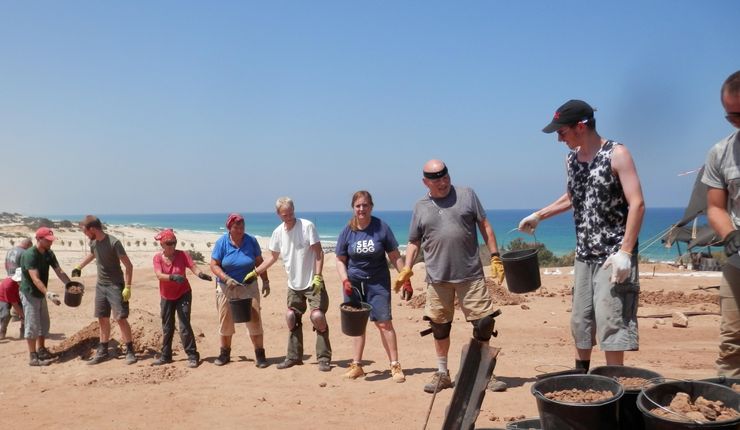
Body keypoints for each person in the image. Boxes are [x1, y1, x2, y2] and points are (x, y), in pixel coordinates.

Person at [519, 99, 645, 372]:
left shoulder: (617, 154)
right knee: (581, 321)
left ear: (580, 127)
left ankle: (615, 383)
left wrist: (625, 252)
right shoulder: (572, 159)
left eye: (561, 132)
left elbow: (637, 203)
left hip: (613, 256)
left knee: (612, 321)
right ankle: (582, 377)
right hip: (584, 254)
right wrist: (540, 215)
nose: (558, 139)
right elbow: (576, 196)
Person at [396, 160, 506, 393]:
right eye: (437, 180)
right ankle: (442, 373)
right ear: (426, 182)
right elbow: (414, 240)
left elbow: (484, 225)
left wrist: (495, 256)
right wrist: (407, 269)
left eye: (446, 178)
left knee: (484, 323)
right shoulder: (420, 206)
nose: (444, 183)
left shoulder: (467, 195)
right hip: (437, 277)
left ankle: (482, 373)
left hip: (470, 274)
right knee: (439, 326)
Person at [247, 197, 332, 372]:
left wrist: (318, 276)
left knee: (318, 317)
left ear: (294, 209)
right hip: (293, 284)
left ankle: (323, 358)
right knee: (291, 317)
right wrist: (256, 272)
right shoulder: (278, 232)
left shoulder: (307, 226)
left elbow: (318, 253)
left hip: (312, 281)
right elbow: (272, 257)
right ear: (278, 214)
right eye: (285, 215)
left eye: (291, 213)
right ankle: (294, 357)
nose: (289, 217)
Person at [335, 190, 409, 382]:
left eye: (365, 205)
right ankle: (357, 365)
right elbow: (340, 259)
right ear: (353, 208)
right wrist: (345, 280)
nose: (361, 209)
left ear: (371, 207)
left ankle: (395, 365)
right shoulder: (348, 230)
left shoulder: (381, 227)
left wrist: (405, 278)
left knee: (384, 323)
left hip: (378, 283)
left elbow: (394, 255)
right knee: (356, 326)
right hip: (354, 284)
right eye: (358, 205)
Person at [703, 70, 740, 376]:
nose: (737, 121)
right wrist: (730, 235)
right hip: (738, 262)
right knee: (732, 341)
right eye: (731, 117)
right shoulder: (721, 152)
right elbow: (715, 207)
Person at [72, 215, 138, 365]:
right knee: (102, 318)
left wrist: (127, 287)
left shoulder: (114, 243)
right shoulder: (94, 242)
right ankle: (103, 352)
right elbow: (93, 254)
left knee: (120, 318)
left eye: (85, 231)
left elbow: (129, 266)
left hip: (116, 285)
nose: (85, 234)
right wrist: (79, 266)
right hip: (100, 286)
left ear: (93, 229)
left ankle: (130, 351)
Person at [209, 213, 270, 367]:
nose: (240, 229)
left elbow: (259, 262)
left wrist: (266, 281)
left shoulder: (251, 241)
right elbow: (214, 264)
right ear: (229, 228)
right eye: (237, 227)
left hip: (248, 286)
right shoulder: (222, 242)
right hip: (226, 287)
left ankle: (260, 354)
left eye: (242, 226)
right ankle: (224, 353)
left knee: (255, 319)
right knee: (226, 320)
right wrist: (225, 278)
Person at [151, 229, 213, 368]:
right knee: (167, 326)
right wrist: (172, 277)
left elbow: (193, 267)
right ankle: (166, 356)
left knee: (184, 324)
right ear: (162, 245)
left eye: (174, 242)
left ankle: (192, 355)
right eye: (169, 243)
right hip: (166, 296)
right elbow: (159, 275)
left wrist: (201, 275)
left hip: (183, 293)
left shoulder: (183, 255)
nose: (172, 246)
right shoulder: (157, 258)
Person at [20, 227, 70, 366]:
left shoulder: (49, 253)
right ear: (39, 239)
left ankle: (41, 350)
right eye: (47, 240)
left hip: (41, 293)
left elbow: (59, 271)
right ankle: (33, 357)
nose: (50, 243)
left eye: (51, 240)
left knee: (43, 323)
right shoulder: (30, 255)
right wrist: (48, 293)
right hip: (29, 293)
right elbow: (35, 279)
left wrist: (69, 284)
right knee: (32, 324)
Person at [0, 268, 25, 340]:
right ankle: (2, 331)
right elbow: (14, 304)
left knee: (25, 311)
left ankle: (24, 332)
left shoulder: (26, 282)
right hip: (3, 297)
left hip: (18, 296)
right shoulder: (8, 285)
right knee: (5, 314)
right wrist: (22, 315)